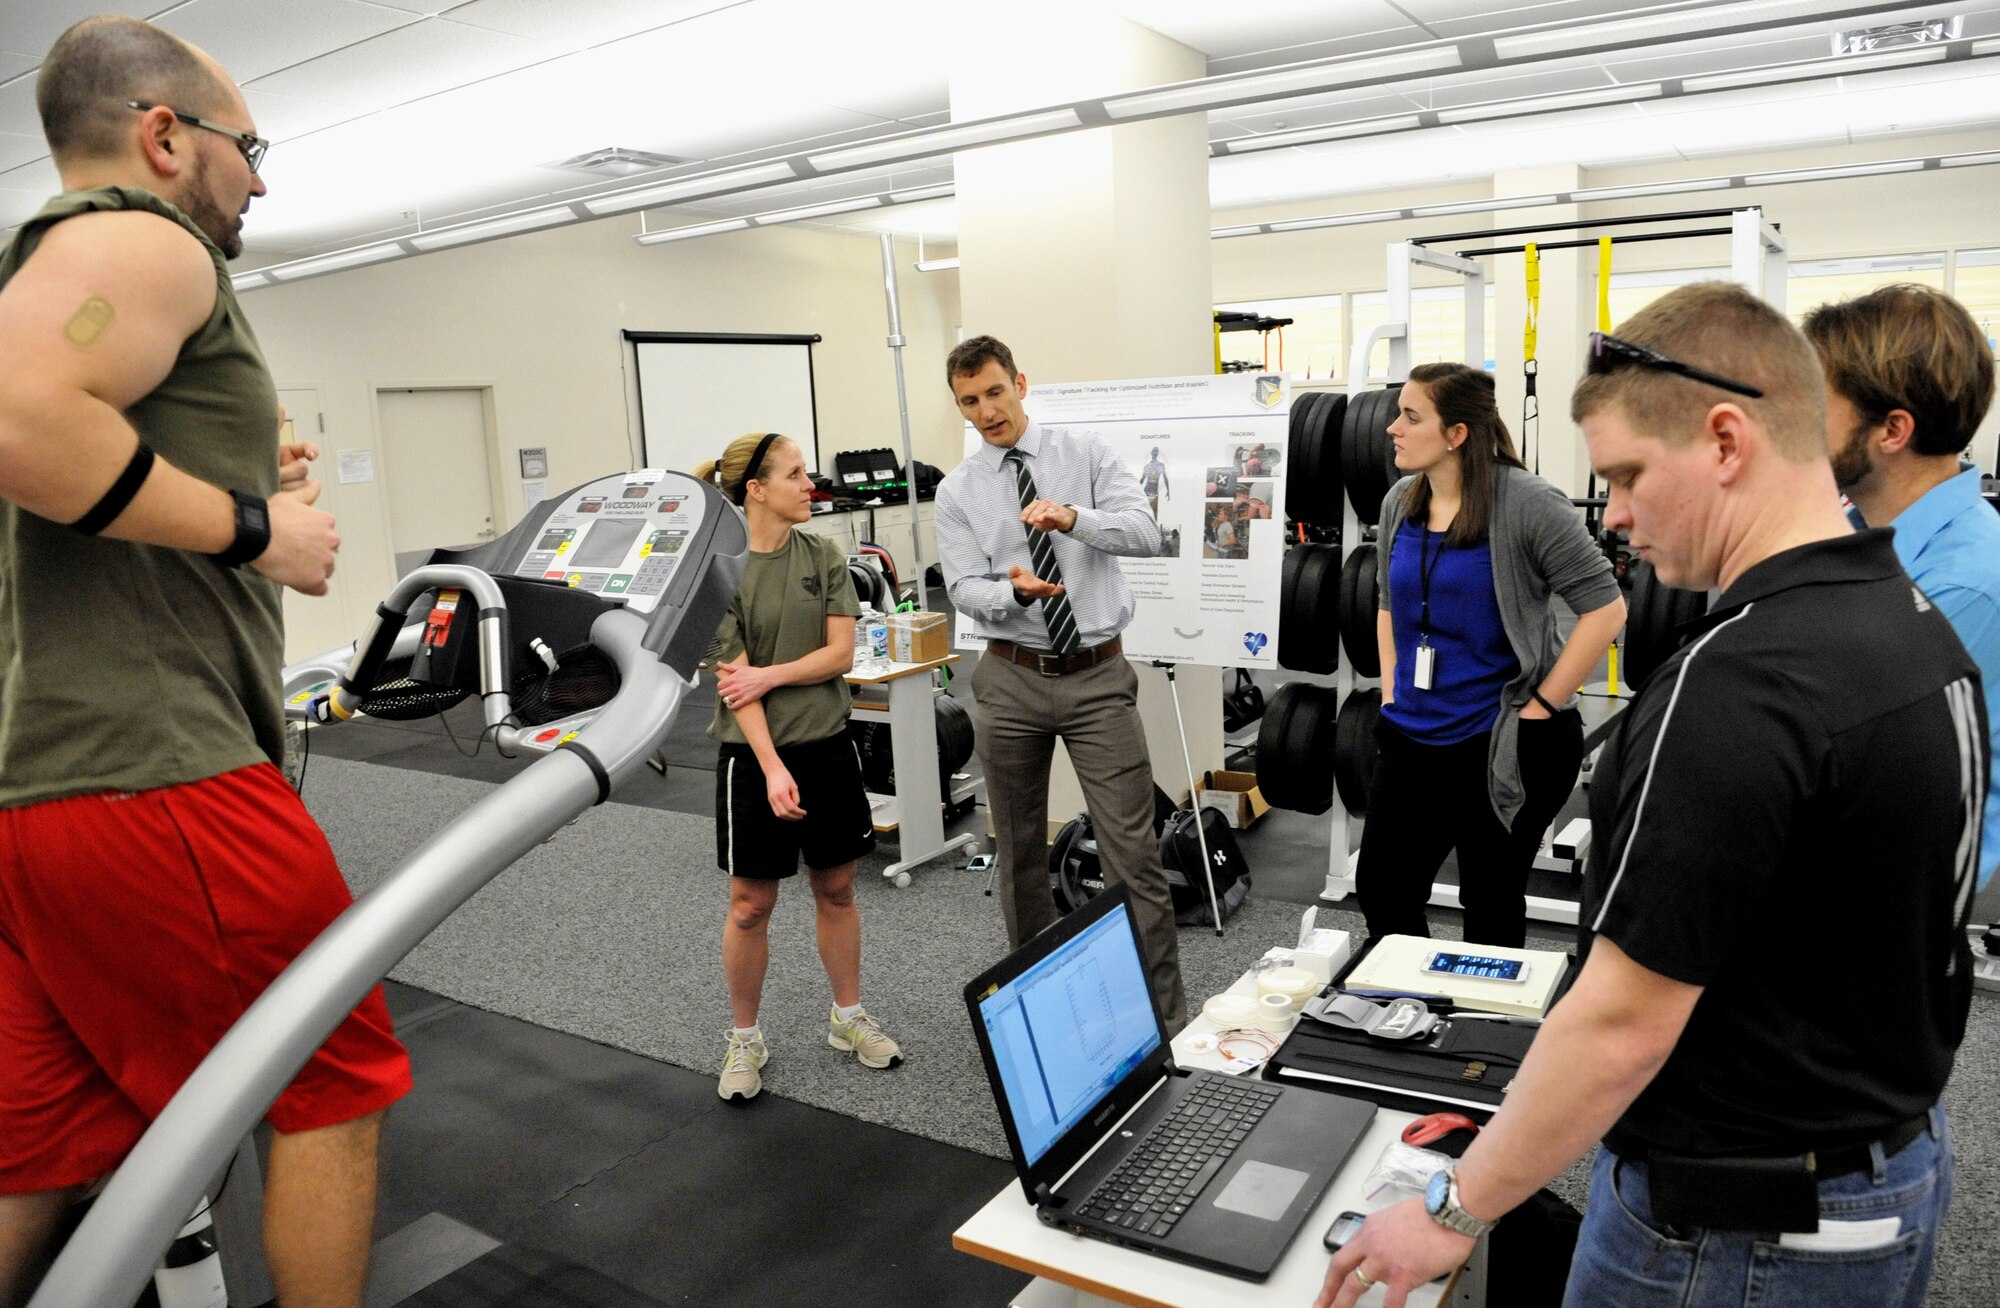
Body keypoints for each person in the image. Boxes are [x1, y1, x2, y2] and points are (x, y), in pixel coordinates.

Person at [1318, 282, 1984, 1308]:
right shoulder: (1910, 622)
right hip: (1871, 1172)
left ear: (1724, 440)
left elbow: (1622, 1023)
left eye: (1626, 476)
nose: (1616, 518)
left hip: (1729, 1235)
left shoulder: (1741, 681)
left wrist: (1453, 1210)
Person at [0, 17, 411, 1307]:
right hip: (155, 770)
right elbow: (17, 416)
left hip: (40, 793)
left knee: (45, 1143)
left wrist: (241, 480)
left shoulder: (62, 257)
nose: (261, 177)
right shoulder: (143, 236)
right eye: (250, 145)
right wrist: (257, 532)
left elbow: (68, 459)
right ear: (164, 136)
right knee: (330, 1073)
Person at [934, 335, 1187, 1030]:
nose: (986, 411)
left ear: (1019, 382)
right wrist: (1011, 594)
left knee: (1131, 855)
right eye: (969, 402)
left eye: (993, 392)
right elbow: (961, 588)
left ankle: (1165, 1023)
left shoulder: (1088, 456)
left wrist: (1071, 517)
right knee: (1016, 855)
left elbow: (1144, 533)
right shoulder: (958, 491)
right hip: (1009, 679)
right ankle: (1043, 1012)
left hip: (1097, 678)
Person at [1358, 363, 1625, 948]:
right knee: (1383, 891)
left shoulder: (1527, 503)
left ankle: (1482, 1032)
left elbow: (1606, 610)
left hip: (1502, 739)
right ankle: (1409, 1015)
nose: (1392, 430)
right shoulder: (1400, 500)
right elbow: (1387, 602)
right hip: (1412, 733)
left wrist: (1541, 708)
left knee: (1490, 900)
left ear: (1456, 433)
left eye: (1410, 416)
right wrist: (1390, 690)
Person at [697, 431, 903, 1103]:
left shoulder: (822, 552)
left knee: (838, 888)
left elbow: (840, 653)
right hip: (755, 758)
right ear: (756, 489)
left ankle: (848, 1018)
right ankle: (744, 1037)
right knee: (751, 904)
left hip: (827, 744)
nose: (809, 485)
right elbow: (734, 684)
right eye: (794, 475)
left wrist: (770, 675)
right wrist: (772, 767)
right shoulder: (717, 572)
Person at [1802, 284, 2000, 897]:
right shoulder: (1854, 532)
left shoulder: (1964, 584)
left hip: (1885, 894)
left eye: (1816, 402)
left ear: (1892, 430)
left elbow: (1869, 772)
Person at [1140, 445, 1169, 519]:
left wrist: (1168, 491)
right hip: (1146, 491)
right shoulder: (1147, 466)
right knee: (1145, 514)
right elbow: (1142, 479)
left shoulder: (1161, 465)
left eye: (1157, 451)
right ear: (1151, 452)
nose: (1155, 452)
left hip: (1155, 493)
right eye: (1154, 450)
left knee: (1154, 514)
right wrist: (1136, 489)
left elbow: (1165, 478)